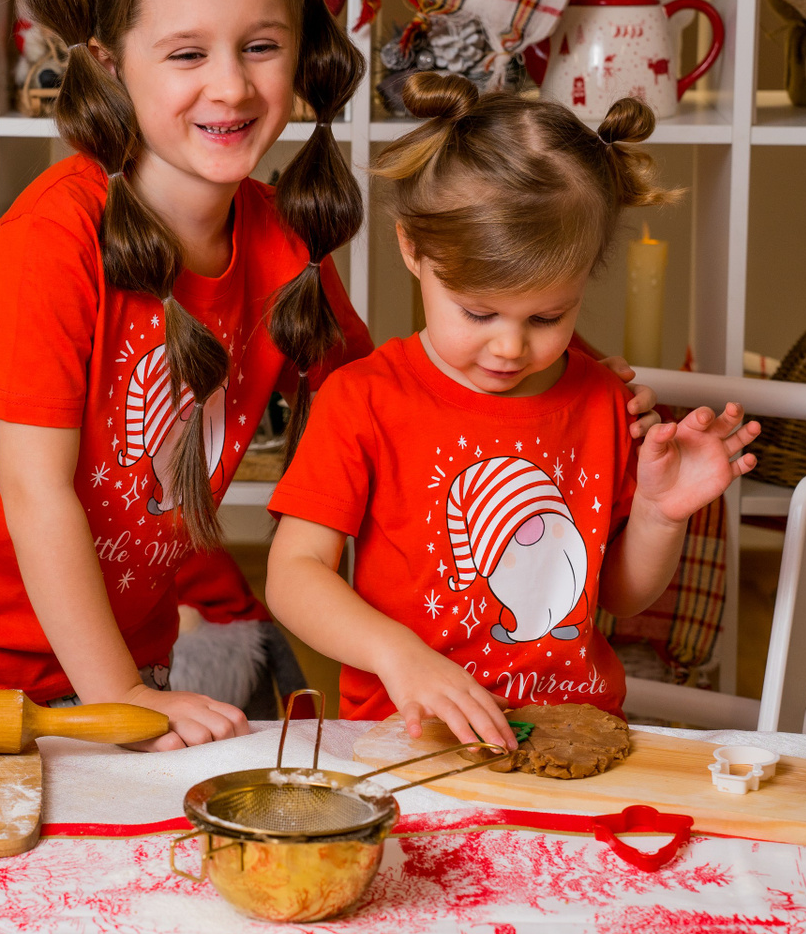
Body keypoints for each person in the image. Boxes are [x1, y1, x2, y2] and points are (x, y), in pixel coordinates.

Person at [0, 0, 371, 750]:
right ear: (108, 62)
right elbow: (35, 491)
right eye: (186, 54)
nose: (231, 87)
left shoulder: (286, 242)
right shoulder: (51, 239)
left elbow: (380, 401)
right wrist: (119, 697)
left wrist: (566, 373)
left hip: (120, 660)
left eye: (260, 46)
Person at [264, 72, 756, 752]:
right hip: (408, 738)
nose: (510, 347)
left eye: (547, 317)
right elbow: (293, 576)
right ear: (414, 249)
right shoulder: (365, 399)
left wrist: (659, 515)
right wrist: (399, 655)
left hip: (573, 733)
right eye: (478, 312)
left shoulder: (603, 401)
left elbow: (619, 596)